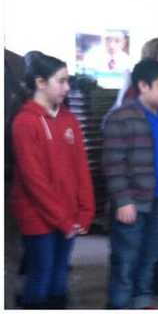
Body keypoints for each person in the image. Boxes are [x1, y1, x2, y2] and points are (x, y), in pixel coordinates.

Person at [102, 58, 158, 309]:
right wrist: (123, 201)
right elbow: (113, 164)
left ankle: (141, 300)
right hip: (132, 203)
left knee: (151, 256)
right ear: (143, 85)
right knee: (126, 256)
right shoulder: (121, 117)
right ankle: (119, 304)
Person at [10, 52, 95, 309]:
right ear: (40, 83)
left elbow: (81, 167)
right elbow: (34, 180)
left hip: (68, 214)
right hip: (38, 215)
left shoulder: (68, 118)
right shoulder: (25, 122)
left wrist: (86, 210)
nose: (67, 87)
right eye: (61, 81)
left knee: (60, 273)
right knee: (42, 272)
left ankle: (58, 303)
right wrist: (63, 220)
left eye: (68, 80)